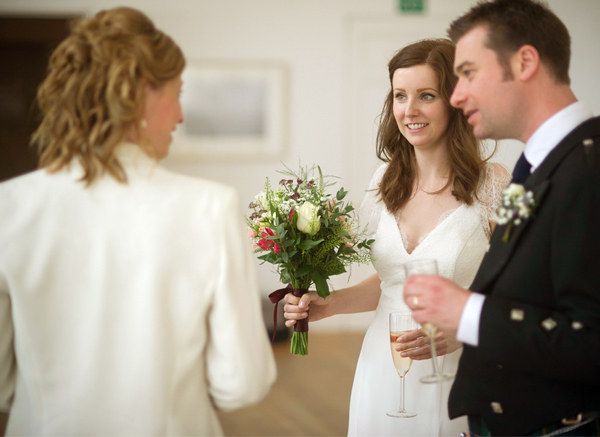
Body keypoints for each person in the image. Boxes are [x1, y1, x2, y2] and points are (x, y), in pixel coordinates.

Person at [0, 7, 276, 436]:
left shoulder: (9, 205)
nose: (181, 115)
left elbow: (1, 384)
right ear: (143, 91)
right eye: (178, 92)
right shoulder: (210, 207)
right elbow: (242, 382)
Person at [284, 38, 510, 436]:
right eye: (400, 96)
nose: (410, 110)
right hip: (382, 364)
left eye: (426, 95)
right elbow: (393, 282)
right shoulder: (384, 182)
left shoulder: (493, 186)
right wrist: (330, 304)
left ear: (455, 100)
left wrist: (462, 335)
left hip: (455, 371)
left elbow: (518, 291)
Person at [403, 1, 600, 436]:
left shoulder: (589, 168)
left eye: (469, 72)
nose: (456, 95)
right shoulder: (540, 166)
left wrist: (466, 311)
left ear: (525, 62)